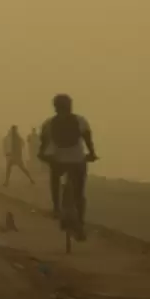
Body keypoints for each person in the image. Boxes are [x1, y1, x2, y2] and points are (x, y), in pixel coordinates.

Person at [38, 94, 96, 240]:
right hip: (77, 161)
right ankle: (80, 224)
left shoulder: (48, 124)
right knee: (79, 193)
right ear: (70, 106)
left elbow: (43, 147)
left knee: (55, 180)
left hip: (58, 162)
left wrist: (43, 156)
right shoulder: (80, 121)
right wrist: (92, 154)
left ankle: (56, 207)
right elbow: (88, 141)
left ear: (55, 107)